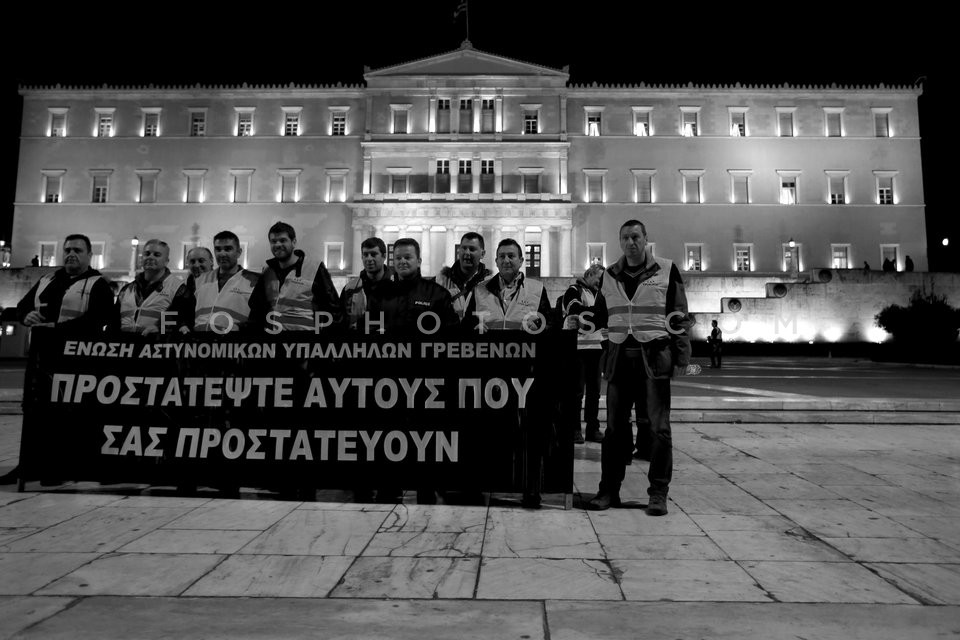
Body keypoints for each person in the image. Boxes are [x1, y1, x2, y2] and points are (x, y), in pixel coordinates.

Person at [586, 220, 693, 517]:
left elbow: (679, 314)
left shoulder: (666, 269)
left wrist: (683, 357)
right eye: (625, 238)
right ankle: (609, 489)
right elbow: (599, 315)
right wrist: (575, 318)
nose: (631, 242)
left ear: (646, 239)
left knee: (659, 430)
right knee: (614, 430)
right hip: (619, 359)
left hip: (654, 357)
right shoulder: (609, 275)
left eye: (636, 237)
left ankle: (658, 492)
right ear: (620, 242)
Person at [1, 234, 114, 485]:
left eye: (77, 250)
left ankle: (59, 466)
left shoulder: (97, 284)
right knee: (33, 410)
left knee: (67, 412)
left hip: (75, 360)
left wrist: (57, 329)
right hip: (41, 357)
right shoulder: (47, 279)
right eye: (68, 250)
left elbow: (99, 319)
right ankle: (28, 464)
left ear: (89, 255)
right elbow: (21, 306)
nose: (71, 254)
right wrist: (25, 315)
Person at [366, 237, 457, 504]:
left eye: (408, 257)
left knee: (425, 435)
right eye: (398, 258)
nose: (403, 261)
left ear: (419, 260)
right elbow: (371, 333)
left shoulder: (436, 294)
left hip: (426, 380)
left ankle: (426, 487)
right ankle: (388, 486)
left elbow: (450, 337)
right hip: (389, 380)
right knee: (388, 435)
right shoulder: (380, 294)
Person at [466, 239, 554, 509]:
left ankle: (531, 489)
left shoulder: (537, 290)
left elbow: (548, 329)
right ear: (494, 261)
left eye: (512, 256)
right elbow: (468, 330)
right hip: (490, 373)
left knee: (529, 434)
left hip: (525, 374)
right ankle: (484, 483)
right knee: (489, 433)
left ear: (521, 260)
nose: (506, 261)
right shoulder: (479, 291)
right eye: (502, 256)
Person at [249, 221, 340, 332]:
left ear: (294, 242)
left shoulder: (314, 268)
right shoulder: (267, 272)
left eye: (283, 240)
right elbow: (256, 311)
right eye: (273, 241)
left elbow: (333, 310)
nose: (277, 245)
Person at [561, 264, 605, 444]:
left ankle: (593, 429)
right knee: (576, 392)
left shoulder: (600, 294)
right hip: (577, 348)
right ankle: (574, 429)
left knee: (594, 392)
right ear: (589, 274)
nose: (601, 283)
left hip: (596, 348)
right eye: (598, 278)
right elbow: (576, 312)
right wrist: (601, 315)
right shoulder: (573, 291)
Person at [113, 239, 192, 334]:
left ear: (166, 261)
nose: (150, 257)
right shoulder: (126, 290)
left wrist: (160, 329)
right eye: (147, 254)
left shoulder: (179, 289)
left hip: (158, 346)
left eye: (157, 255)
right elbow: (113, 322)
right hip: (125, 347)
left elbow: (183, 322)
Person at [191, 231, 259, 333]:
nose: (222, 254)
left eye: (228, 249)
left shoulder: (254, 280)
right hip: (200, 343)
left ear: (239, 252)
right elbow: (188, 312)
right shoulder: (200, 279)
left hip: (233, 344)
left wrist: (241, 327)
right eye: (218, 249)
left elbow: (260, 318)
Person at [435, 231, 492, 322]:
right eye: (463, 248)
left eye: (472, 249)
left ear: (482, 254)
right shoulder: (440, 281)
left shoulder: (491, 284)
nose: (467, 253)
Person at [340, 237, 394, 331]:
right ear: (362, 257)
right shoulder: (349, 289)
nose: (369, 259)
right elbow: (341, 322)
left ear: (384, 256)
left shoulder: (397, 286)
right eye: (365, 254)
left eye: (373, 254)